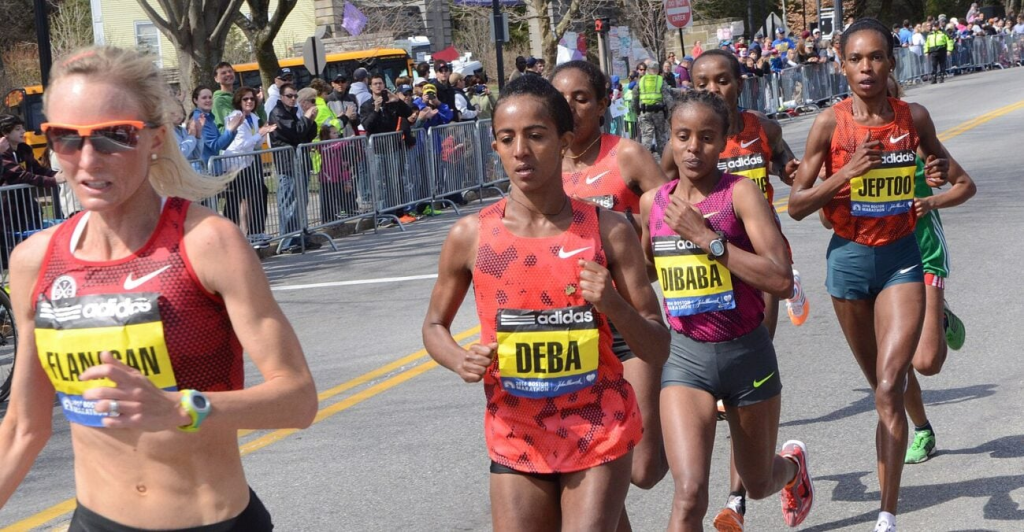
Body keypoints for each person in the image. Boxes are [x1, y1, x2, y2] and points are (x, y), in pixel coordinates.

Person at [0, 45, 317, 530]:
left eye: (114, 137)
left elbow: (297, 400)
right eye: (64, 138)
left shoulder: (207, 242)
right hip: (95, 520)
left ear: (155, 139)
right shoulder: (35, 261)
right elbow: (23, 427)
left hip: (211, 520)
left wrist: (178, 407)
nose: (87, 159)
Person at [421, 73, 670, 532]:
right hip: (515, 427)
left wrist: (613, 304)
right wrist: (458, 359)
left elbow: (657, 347)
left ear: (563, 142)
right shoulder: (471, 237)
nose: (521, 150)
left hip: (597, 423)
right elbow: (434, 325)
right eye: (506, 138)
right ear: (494, 146)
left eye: (536, 135)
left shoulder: (610, 230)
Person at [786, 18, 974, 532]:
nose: (867, 67)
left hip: (901, 258)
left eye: (876, 57)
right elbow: (797, 206)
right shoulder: (830, 124)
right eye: (857, 58)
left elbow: (962, 183)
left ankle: (886, 517)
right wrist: (847, 173)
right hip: (847, 262)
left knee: (891, 386)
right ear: (842, 66)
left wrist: (929, 193)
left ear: (891, 62)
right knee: (878, 384)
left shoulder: (913, 117)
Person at [641, 90, 812, 532]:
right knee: (689, 493)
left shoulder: (740, 195)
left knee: (757, 483)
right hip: (685, 359)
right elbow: (644, 271)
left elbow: (779, 277)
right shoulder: (653, 204)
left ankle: (791, 468)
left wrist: (708, 240)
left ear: (723, 142)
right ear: (670, 140)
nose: (693, 148)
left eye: (706, 137)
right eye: (683, 136)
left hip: (746, 354)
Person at [550, 60, 671, 531]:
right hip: (575, 330)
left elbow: (672, 223)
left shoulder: (627, 156)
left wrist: (642, 241)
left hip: (628, 320)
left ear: (603, 104)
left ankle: (682, 427)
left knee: (641, 469)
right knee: (594, 459)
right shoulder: (542, 162)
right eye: (560, 99)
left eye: (582, 98)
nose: (570, 108)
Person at [0, 114, 63, 270]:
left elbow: (37, 169)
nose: (23, 132)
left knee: (34, 236)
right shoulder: (2, 153)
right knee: (9, 245)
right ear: (6, 133)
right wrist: (53, 181)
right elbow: (18, 175)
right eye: (17, 129)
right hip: (7, 208)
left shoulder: (24, 149)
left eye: (22, 128)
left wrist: (56, 174)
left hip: (26, 204)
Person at [220, 87, 276, 243]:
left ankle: (254, 232)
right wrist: (260, 133)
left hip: (247, 163)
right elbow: (240, 144)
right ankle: (232, 236)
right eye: (245, 99)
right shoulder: (236, 116)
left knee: (258, 192)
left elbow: (256, 145)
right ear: (239, 101)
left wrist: (263, 134)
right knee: (234, 200)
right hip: (234, 164)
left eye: (252, 99)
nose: (249, 101)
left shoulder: (253, 117)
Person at [191, 85, 242, 165]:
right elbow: (215, 146)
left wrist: (233, 130)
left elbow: (223, 146)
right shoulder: (199, 118)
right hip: (206, 170)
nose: (208, 100)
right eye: (204, 98)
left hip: (214, 168)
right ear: (195, 100)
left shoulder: (209, 118)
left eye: (210, 97)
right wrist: (229, 130)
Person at [633, 61, 675, 155]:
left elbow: (635, 96)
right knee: (661, 137)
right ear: (657, 70)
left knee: (646, 137)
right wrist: (671, 112)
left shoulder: (641, 80)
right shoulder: (660, 80)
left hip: (644, 112)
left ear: (648, 70)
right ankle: (663, 161)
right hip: (658, 112)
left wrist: (637, 111)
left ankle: (644, 162)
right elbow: (667, 97)